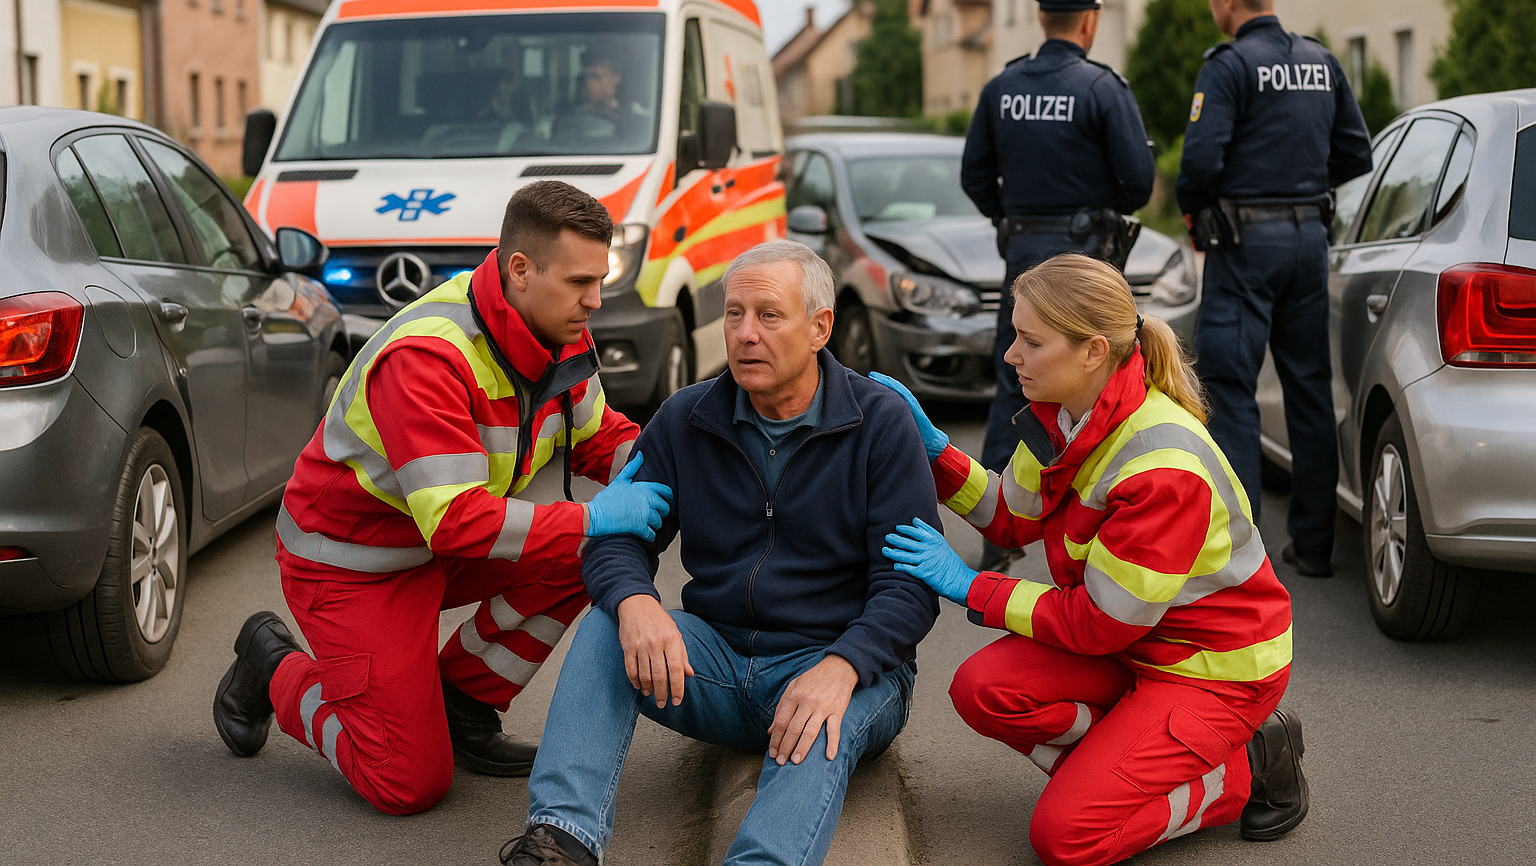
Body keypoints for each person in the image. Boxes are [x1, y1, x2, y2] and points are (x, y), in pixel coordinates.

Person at [211, 181, 671, 815]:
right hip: (351, 567)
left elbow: (598, 437)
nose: (596, 301)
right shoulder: (428, 357)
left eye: (599, 279)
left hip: (430, 545)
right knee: (407, 783)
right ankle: (275, 669)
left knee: (590, 552)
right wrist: (592, 514)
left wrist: (677, 473)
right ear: (520, 270)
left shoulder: (558, 332)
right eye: (579, 283)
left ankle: (460, 705)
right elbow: (457, 522)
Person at [497, 240, 941, 866]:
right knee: (607, 622)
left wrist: (842, 667)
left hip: (843, 669)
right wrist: (636, 603)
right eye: (734, 314)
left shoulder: (881, 423)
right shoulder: (686, 416)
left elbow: (911, 586)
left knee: (819, 723)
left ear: (820, 327)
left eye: (769, 315)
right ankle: (561, 840)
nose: (746, 334)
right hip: (717, 663)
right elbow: (617, 536)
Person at [873, 253, 1305, 866]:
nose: (1010, 355)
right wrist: (935, 449)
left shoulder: (1162, 468)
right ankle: (1124, 769)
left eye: (1029, 340)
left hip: (1212, 672)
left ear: (1092, 351)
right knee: (982, 688)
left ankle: (1244, 771)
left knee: (1068, 839)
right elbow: (1010, 514)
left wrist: (972, 586)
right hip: (1139, 645)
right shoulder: (1067, 416)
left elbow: (1099, 623)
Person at [1176, 0, 1373, 578]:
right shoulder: (1321, 61)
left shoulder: (1229, 65)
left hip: (1244, 246)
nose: (1212, 3)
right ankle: (1314, 545)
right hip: (1308, 241)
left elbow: (1201, 163)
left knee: (1231, 390)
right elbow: (1354, 154)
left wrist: (1197, 208)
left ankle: (1240, 554)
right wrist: (1300, 186)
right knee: (1308, 387)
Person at [961, 0, 1156, 568]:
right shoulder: (1102, 88)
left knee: (1015, 381)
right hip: (1086, 258)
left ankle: (998, 538)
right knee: (1099, 386)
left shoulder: (1002, 88)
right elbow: (1139, 184)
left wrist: (1014, 219)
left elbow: (974, 176)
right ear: (1089, 22)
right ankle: (1098, 534)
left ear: (1042, 21)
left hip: (1023, 252)